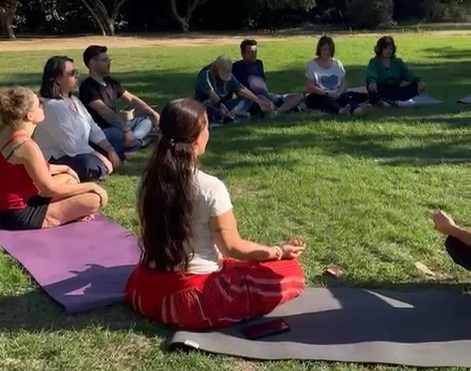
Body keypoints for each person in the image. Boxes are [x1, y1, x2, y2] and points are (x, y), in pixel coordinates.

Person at [125, 98, 306, 330]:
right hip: (192, 298)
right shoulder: (210, 187)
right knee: (290, 271)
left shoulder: (147, 180)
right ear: (197, 137)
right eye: (206, 127)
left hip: (146, 289)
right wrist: (278, 252)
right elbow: (232, 247)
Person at [0, 87, 108, 231]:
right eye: (38, 104)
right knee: (95, 199)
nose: (42, 104)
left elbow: (32, 168)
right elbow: (50, 189)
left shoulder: (7, 133)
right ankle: (54, 218)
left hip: (10, 204)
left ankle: (69, 209)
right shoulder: (27, 146)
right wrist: (91, 186)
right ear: (30, 116)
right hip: (20, 213)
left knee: (69, 179)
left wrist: (65, 168)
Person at [34, 56, 120, 182]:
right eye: (72, 73)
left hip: (81, 147)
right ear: (58, 79)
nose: (77, 76)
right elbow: (73, 146)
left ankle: (107, 160)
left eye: (77, 72)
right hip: (61, 156)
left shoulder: (74, 100)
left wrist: (109, 149)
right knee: (90, 164)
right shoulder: (52, 107)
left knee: (115, 135)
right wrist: (104, 158)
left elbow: (93, 127)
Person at [79, 45, 160, 155]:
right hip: (101, 132)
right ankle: (139, 142)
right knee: (117, 134)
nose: (109, 62)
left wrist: (152, 113)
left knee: (146, 120)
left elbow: (131, 99)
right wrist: (125, 129)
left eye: (109, 59)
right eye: (105, 60)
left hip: (116, 126)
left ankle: (132, 142)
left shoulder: (110, 82)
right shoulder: (88, 87)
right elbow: (104, 112)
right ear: (93, 63)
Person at [232, 39, 305, 116]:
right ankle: (284, 108)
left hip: (268, 95)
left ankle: (278, 111)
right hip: (254, 99)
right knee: (265, 102)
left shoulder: (258, 63)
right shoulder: (237, 67)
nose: (254, 55)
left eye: (255, 52)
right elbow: (237, 88)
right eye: (250, 52)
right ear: (242, 54)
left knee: (299, 96)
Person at [194, 55, 272, 124]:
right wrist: (221, 105)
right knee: (208, 105)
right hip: (208, 105)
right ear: (216, 68)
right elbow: (211, 93)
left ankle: (232, 115)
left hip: (225, 105)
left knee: (246, 99)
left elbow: (242, 90)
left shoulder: (230, 77)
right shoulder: (205, 74)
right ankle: (233, 115)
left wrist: (259, 101)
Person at [305, 36, 371, 116]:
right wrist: (325, 93)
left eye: (329, 50)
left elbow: (344, 82)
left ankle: (358, 110)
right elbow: (310, 86)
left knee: (345, 98)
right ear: (320, 49)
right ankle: (340, 111)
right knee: (327, 100)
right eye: (325, 49)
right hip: (319, 95)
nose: (327, 52)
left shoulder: (337, 64)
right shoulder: (312, 65)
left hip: (336, 93)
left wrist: (339, 92)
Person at [366, 36, 426, 107]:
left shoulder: (398, 62)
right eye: (385, 48)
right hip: (381, 88)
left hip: (395, 89)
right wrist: (372, 81)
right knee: (373, 89)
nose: (388, 51)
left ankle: (389, 101)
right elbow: (371, 73)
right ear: (379, 49)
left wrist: (417, 81)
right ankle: (390, 101)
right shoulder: (374, 62)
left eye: (390, 48)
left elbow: (407, 73)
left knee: (416, 86)